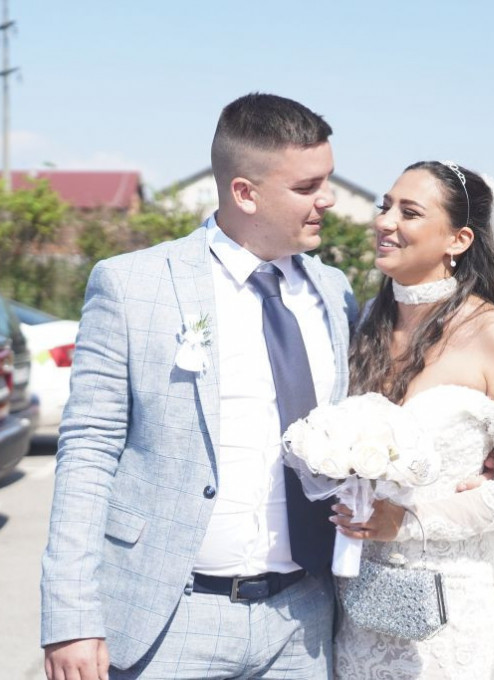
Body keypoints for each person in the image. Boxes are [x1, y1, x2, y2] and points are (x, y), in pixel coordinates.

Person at [41, 93, 359, 679]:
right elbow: (87, 450)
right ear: (245, 193)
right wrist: (71, 615)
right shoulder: (132, 285)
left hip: (305, 620)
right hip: (169, 621)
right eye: (307, 186)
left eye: (328, 180)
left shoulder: (335, 292)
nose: (328, 199)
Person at [332, 161, 494, 679]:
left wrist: (408, 521)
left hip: (448, 611)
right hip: (357, 601)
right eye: (385, 206)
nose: (384, 221)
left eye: (409, 212)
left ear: (459, 239)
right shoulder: (365, 322)